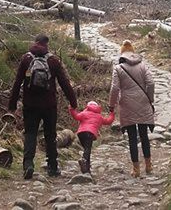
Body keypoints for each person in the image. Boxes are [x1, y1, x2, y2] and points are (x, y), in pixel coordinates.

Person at [8, 34, 78, 179]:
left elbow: (17, 82)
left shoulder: (26, 59)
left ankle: (28, 164)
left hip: (30, 104)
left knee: (30, 133)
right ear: (47, 44)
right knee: (50, 135)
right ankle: (52, 166)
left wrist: (12, 104)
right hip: (49, 105)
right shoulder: (53, 60)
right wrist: (73, 102)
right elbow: (64, 83)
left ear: (35, 42)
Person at [109, 40, 156, 178]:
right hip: (143, 102)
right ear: (133, 53)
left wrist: (111, 105)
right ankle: (148, 165)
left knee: (132, 138)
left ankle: (136, 169)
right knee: (144, 136)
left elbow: (115, 89)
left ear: (122, 53)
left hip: (127, 105)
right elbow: (151, 83)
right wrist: (149, 98)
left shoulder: (118, 69)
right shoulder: (142, 65)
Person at [69, 100, 114, 174]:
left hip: (81, 133)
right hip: (90, 133)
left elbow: (76, 116)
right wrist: (112, 114)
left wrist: (71, 109)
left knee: (86, 149)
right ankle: (84, 161)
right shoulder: (99, 116)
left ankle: (87, 167)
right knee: (87, 149)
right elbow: (108, 121)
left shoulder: (84, 113)